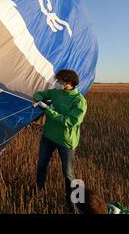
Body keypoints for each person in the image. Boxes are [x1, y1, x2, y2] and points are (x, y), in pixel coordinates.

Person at [32, 69, 87, 209]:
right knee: (41, 166)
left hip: (66, 141)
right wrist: (40, 99)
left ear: (68, 83)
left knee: (69, 173)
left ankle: (74, 205)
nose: (57, 83)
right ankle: (38, 194)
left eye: (60, 81)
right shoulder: (56, 93)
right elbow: (38, 94)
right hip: (48, 136)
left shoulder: (79, 101)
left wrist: (48, 110)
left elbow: (70, 121)